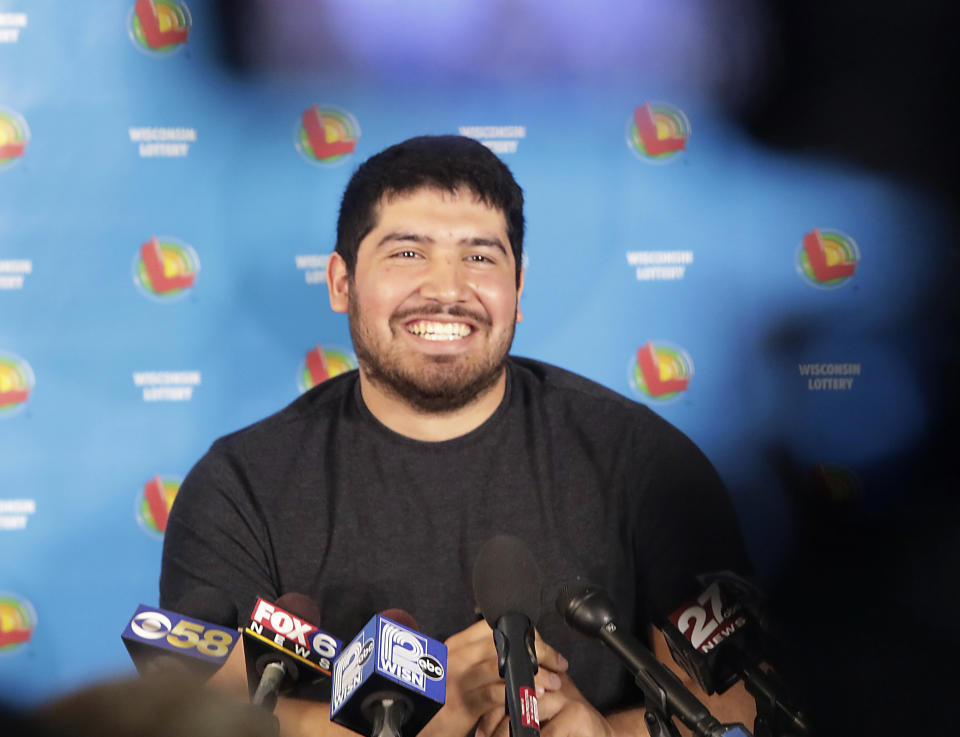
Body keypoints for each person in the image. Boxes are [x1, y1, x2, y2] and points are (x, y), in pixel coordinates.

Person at [160, 135, 756, 736]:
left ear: (518, 288)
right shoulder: (242, 485)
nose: (447, 291)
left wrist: (601, 733)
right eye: (408, 254)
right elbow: (194, 716)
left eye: (479, 257)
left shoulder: (645, 464)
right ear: (341, 282)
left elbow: (738, 703)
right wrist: (430, 722)